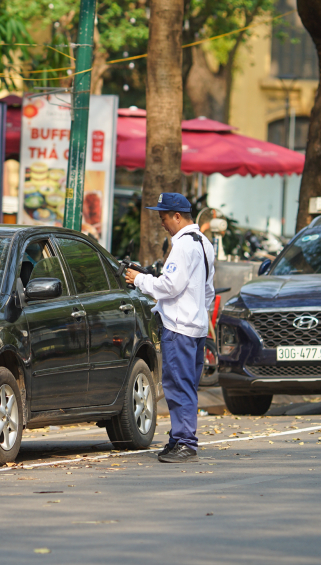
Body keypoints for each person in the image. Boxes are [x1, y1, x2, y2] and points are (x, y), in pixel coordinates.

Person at [125, 192, 215, 463]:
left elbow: (169, 286)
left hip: (180, 328)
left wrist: (139, 279)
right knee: (185, 384)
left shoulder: (184, 246)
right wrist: (199, 314)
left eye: (164, 217)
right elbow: (207, 290)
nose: (162, 222)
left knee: (178, 385)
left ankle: (185, 442)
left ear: (178, 216)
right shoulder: (204, 243)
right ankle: (179, 438)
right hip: (196, 327)